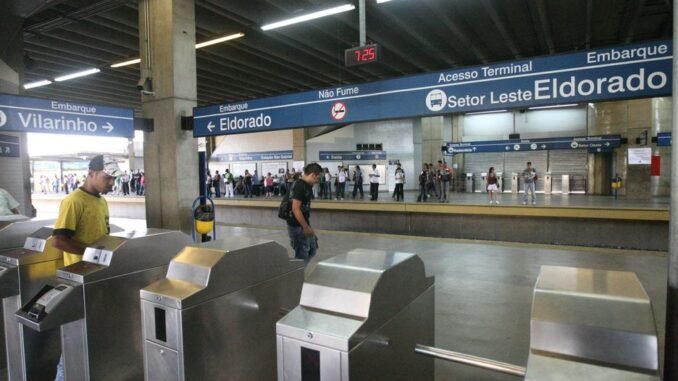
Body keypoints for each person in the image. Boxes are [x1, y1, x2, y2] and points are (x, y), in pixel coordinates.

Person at [51, 154, 121, 381]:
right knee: (74, 338)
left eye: (113, 179)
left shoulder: (101, 201)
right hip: (78, 279)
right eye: (107, 178)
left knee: (96, 334)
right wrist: (92, 253)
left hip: (98, 277)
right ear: (91, 173)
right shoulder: (73, 201)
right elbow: (59, 240)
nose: (111, 183)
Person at [287, 163, 322, 263]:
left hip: (304, 224)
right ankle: (297, 276)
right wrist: (306, 227)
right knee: (302, 256)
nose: (317, 181)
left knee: (312, 250)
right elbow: (295, 209)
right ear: (312, 175)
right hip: (297, 226)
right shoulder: (299, 186)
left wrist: (307, 226)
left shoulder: (306, 185)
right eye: (317, 178)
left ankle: (298, 273)